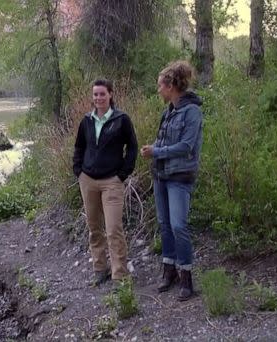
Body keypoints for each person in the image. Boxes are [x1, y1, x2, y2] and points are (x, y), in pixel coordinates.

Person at [140, 61, 204, 301]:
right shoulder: (168, 112)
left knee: (179, 226)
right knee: (164, 225)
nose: (158, 90)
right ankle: (169, 272)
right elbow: (167, 143)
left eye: (160, 86)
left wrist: (156, 152)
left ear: (171, 86)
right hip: (161, 176)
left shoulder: (192, 112)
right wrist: (153, 148)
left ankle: (186, 276)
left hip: (180, 178)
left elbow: (186, 147)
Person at [73, 79, 138, 286]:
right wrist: (79, 172)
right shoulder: (87, 120)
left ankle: (120, 273)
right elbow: (79, 147)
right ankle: (100, 269)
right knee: (94, 228)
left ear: (110, 94)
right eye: (95, 95)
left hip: (112, 182)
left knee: (113, 229)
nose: (98, 98)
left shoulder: (122, 120)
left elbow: (133, 148)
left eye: (102, 94)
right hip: (88, 180)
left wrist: (122, 174)